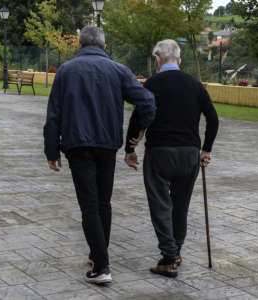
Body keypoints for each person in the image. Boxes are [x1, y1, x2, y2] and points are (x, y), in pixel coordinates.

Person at [43, 26, 156, 284]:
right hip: (107, 144)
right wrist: (137, 134)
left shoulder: (66, 71)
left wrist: (51, 149)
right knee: (103, 202)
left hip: (77, 145)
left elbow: (54, 114)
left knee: (89, 204)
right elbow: (147, 102)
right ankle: (99, 255)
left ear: (80, 45)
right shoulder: (118, 70)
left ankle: (102, 266)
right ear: (105, 46)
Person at [124, 39, 219, 278]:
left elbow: (138, 117)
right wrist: (206, 150)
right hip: (189, 154)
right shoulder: (195, 84)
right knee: (181, 205)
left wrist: (130, 149)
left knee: (160, 205)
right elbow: (213, 119)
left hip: (160, 152)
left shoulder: (152, 84)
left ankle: (168, 258)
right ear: (179, 59)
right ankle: (176, 251)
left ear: (157, 59)